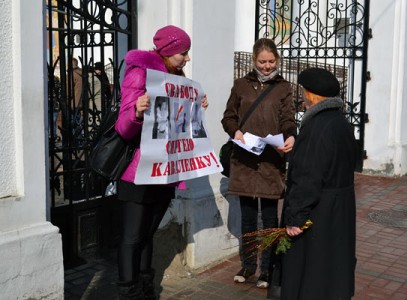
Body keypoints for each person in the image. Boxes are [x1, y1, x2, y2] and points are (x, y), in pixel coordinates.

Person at [114, 25, 208, 299]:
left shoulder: (178, 77)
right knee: (132, 236)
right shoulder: (140, 73)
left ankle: (146, 288)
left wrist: (196, 108)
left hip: (164, 170)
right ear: (168, 51)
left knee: (147, 234)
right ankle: (128, 292)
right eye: (183, 53)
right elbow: (123, 127)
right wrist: (137, 112)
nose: (187, 58)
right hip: (138, 172)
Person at [221, 38, 297, 289]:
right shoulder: (241, 85)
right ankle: (248, 265)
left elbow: (288, 117)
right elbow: (228, 116)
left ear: (278, 60)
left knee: (269, 219)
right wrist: (236, 132)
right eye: (262, 61)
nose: (266, 66)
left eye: (271, 61)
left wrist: (290, 135)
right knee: (248, 219)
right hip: (244, 161)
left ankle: (267, 269)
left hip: (270, 162)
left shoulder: (284, 87)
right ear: (254, 60)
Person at [280, 68, 358, 300]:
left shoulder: (316, 127)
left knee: (311, 269)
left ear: (312, 96)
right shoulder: (342, 123)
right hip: (340, 208)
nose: (302, 98)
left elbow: (307, 176)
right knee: (333, 265)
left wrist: (295, 217)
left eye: (304, 92)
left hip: (318, 210)